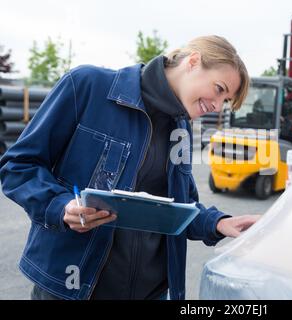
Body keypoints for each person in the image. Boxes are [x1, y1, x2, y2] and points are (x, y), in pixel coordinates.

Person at [0, 35, 260, 300]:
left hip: (153, 293)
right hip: (74, 289)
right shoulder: (87, 86)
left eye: (225, 100)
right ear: (193, 62)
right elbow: (18, 166)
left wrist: (220, 223)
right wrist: (60, 206)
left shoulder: (181, 128)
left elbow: (178, 209)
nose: (217, 106)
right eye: (219, 89)